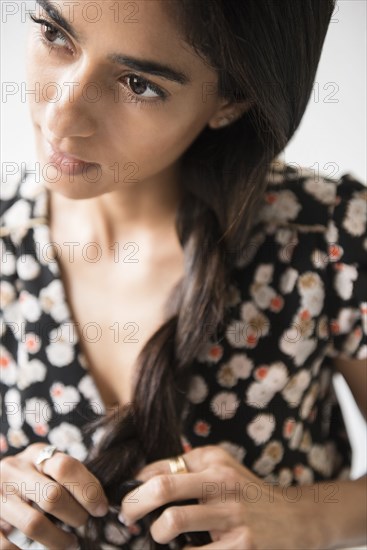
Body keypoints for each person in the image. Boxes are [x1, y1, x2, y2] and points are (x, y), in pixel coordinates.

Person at [0, 0, 366, 548]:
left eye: (138, 83)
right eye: (55, 33)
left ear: (231, 101)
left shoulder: (326, 238)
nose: (62, 116)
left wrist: (305, 518)